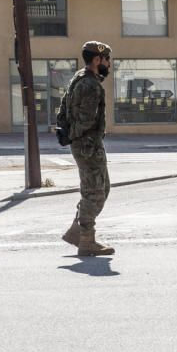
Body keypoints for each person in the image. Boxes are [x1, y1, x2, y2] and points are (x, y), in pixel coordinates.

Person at [60, 41, 115, 256]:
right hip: (88, 146)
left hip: (83, 144)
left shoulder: (78, 78)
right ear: (97, 59)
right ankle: (86, 239)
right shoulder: (91, 85)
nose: (109, 64)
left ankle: (77, 230)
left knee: (99, 188)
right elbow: (85, 120)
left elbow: (63, 107)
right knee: (95, 192)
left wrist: (65, 132)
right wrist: (72, 134)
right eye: (107, 59)